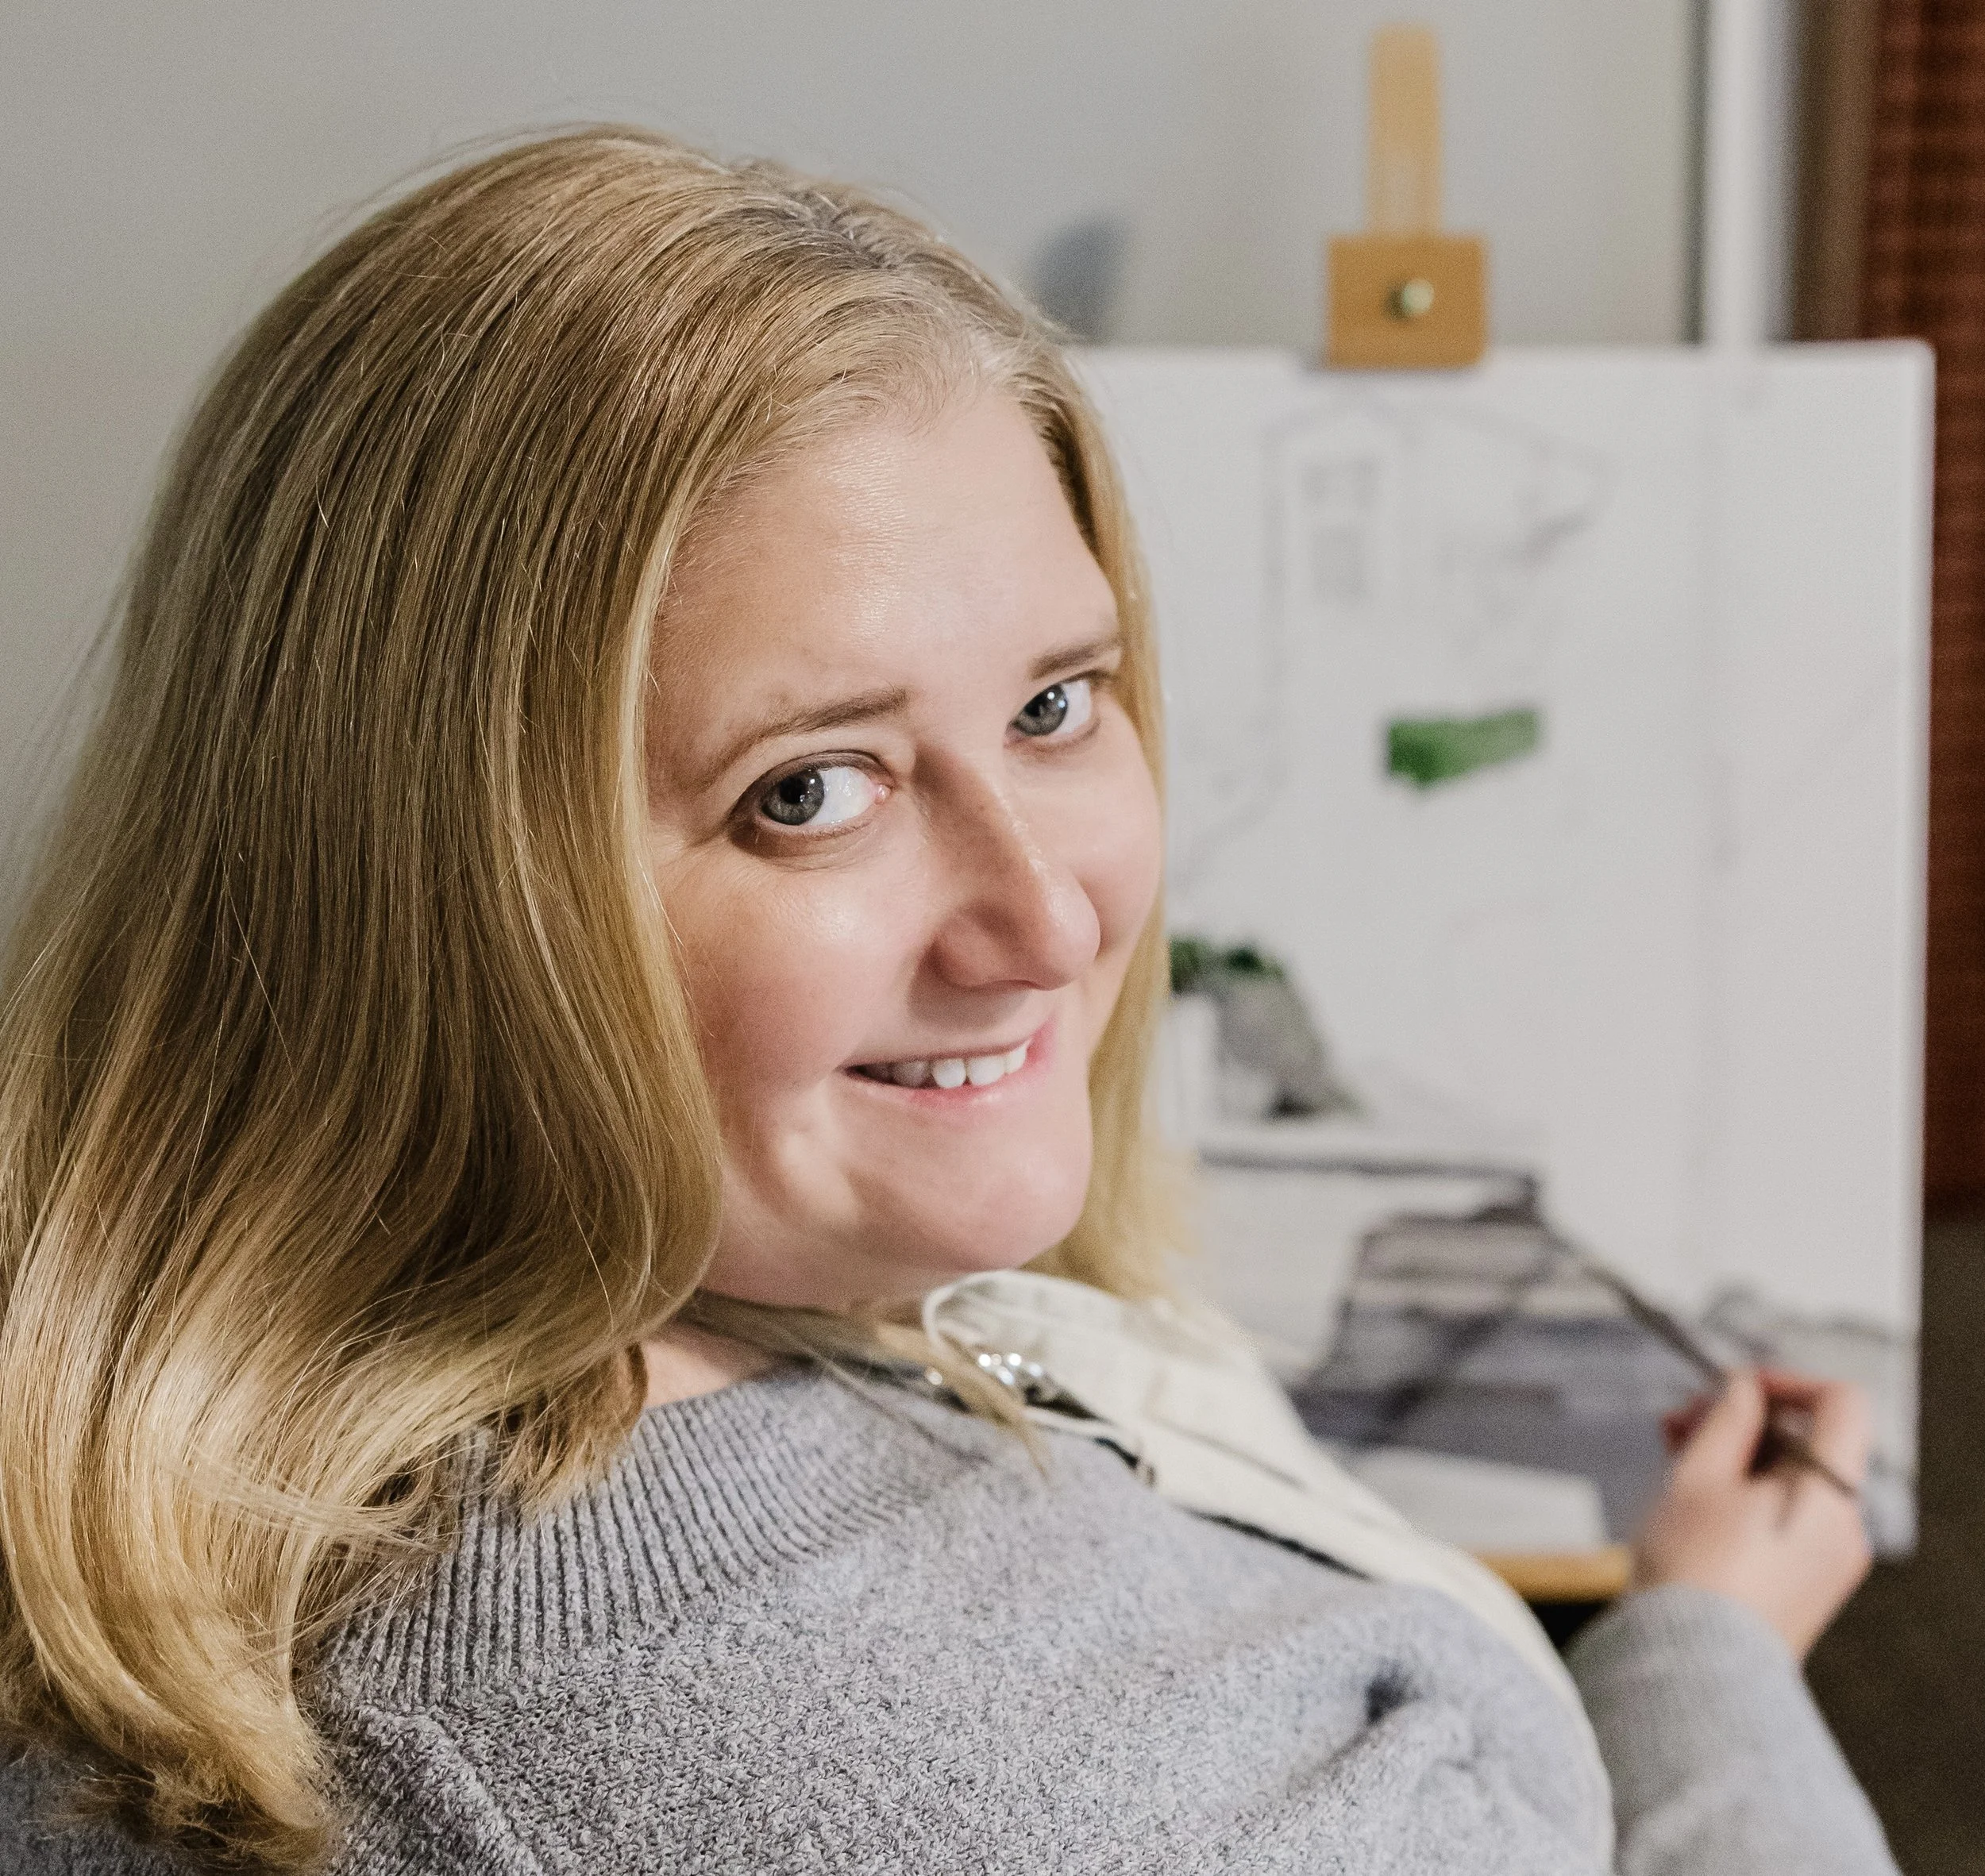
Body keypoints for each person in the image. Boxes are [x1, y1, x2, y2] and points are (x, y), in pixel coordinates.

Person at [0, 128, 1896, 1875]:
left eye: (1053, 704)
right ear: (421, 886)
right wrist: (1708, 1652)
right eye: (809, 790)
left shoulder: (294, 1463)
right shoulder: (1032, 1793)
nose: (1048, 912)